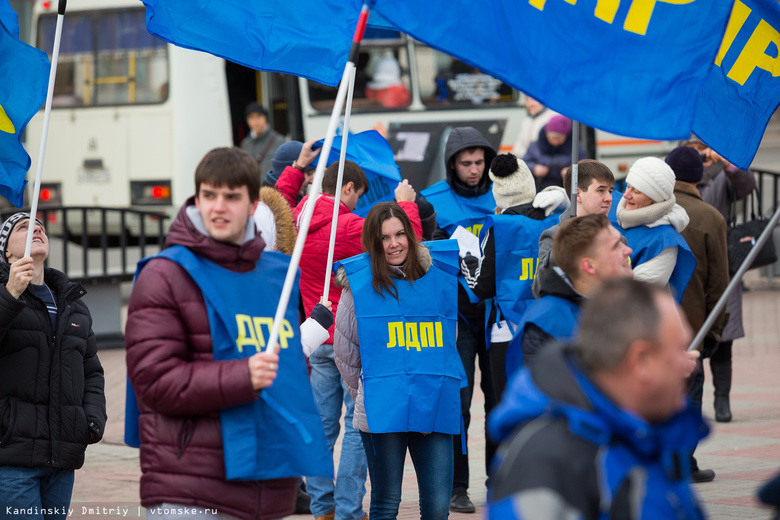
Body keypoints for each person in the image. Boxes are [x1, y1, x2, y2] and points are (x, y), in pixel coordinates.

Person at [125, 147, 332, 520]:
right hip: (190, 487)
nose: (218, 207)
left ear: (254, 205)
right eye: (209, 195)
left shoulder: (276, 278)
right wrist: (242, 376)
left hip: (267, 483)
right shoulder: (165, 275)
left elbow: (285, 372)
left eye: (232, 196)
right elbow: (152, 382)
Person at [276, 147, 422, 520]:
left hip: (315, 333)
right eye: (358, 195)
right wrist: (405, 206)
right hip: (354, 340)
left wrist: (296, 168)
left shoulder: (295, 218)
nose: (359, 202)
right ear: (350, 189)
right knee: (356, 428)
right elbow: (409, 248)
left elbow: (275, 206)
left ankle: (322, 505)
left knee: (321, 426)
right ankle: (346, 509)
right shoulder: (352, 226)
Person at [488, 278, 707, 520]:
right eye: (679, 349)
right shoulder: (547, 464)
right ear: (640, 360)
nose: (692, 365)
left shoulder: (653, 437)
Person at [333, 201, 465, 520]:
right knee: (386, 502)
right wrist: (370, 392)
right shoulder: (358, 288)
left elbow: (448, 340)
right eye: (384, 238)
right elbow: (346, 354)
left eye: (400, 234)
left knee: (437, 507)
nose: (394, 244)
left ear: (410, 236)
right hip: (381, 407)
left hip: (432, 402)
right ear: (373, 243)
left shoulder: (437, 278)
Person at [0, 213, 107, 519]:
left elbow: (92, 371)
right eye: (23, 227)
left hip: (62, 458)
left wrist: (90, 421)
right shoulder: (3, 292)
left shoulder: (71, 302)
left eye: (40, 227)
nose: (36, 230)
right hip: (12, 457)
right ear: (7, 250)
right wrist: (10, 295)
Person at [421, 126, 497, 513]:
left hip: (499, 317)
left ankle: (501, 482)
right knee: (459, 403)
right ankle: (456, 487)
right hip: (459, 319)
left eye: (479, 162)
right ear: (452, 163)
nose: (473, 169)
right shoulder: (433, 200)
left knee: (500, 403)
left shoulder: (505, 194)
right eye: (465, 163)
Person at [460, 153, 559, 397]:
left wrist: (467, 261)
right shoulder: (554, 222)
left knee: (510, 403)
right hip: (546, 325)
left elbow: (481, 287)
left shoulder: (498, 226)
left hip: (506, 330)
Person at [667, 146, 729, 483]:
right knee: (689, 392)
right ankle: (684, 463)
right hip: (692, 326)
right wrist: (714, 332)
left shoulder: (644, 209)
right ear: (697, 178)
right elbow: (719, 283)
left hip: (648, 324)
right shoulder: (710, 217)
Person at [505, 213, 633, 377]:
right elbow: (543, 396)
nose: (628, 250)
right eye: (616, 246)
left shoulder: (628, 306)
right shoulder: (544, 324)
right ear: (589, 265)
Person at [684, 139, 756, 423]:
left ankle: (722, 400)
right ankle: (693, 402)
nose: (700, 156)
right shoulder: (677, 177)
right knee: (691, 339)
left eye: (703, 150)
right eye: (693, 150)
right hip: (689, 264)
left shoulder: (721, 175)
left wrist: (726, 162)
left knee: (723, 337)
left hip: (721, 261)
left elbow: (746, 187)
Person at [614, 157, 696, 301]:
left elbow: (637, 295)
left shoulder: (665, 241)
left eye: (636, 191)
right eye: (628, 186)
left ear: (655, 199)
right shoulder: (613, 210)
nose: (626, 195)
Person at [532, 159, 616, 298]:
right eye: (601, 190)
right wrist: (566, 242)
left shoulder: (616, 238)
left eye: (610, 191)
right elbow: (539, 289)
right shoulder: (554, 235)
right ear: (578, 194)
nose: (609, 198)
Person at [523, 115, 588, 191]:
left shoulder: (576, 147)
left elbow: (585, 166)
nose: (555, 142)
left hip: (567, 189)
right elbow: (523, 164)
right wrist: (534, 168)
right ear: (546, 134)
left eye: (559, 138)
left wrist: (571, 171)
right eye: (552, 138)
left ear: (566, 136)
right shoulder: (535, 146)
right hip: (540, 188)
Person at [240, 101, 285, 175]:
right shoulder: (245, 144)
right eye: (251, 117)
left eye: (258, 116)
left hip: (272, 186)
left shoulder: (279, 141)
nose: (255, 120)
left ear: (265, 118)